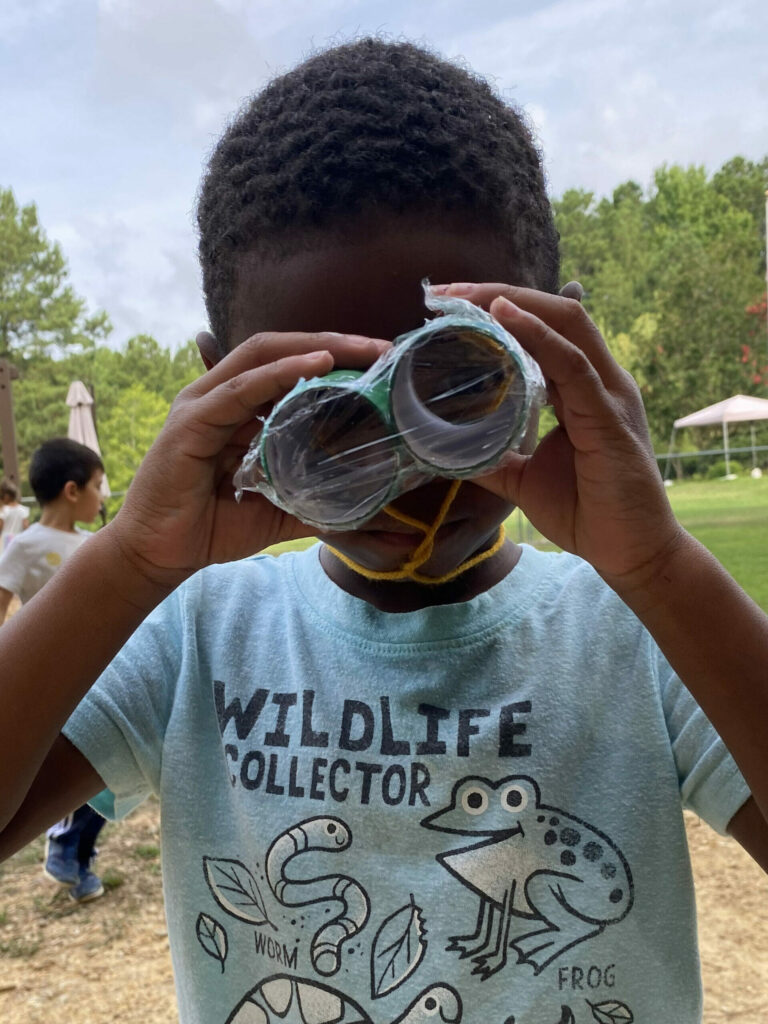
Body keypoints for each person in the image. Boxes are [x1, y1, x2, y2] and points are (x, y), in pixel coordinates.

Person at [0, 38, 767, 1024]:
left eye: (458, 385)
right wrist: (131, 559)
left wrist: (659, 566)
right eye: (328, 420)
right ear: (224, 384)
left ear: (560, 345)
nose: (402, 475)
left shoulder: (641, 636)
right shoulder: (195, 636)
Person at [0, 438, 109, 902]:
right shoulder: (23, 546)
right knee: (84, 767)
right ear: (72, 490)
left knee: (109, 772)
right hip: (54, 681)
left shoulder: (97, 544)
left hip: (103, 674)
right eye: (99, 487)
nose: (103, 497)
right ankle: (65, 846)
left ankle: (77, 858)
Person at [0, 478, 29, 552]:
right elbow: (25, 526)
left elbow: (1, 525)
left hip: (5, 539)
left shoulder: (4, 510)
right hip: (18, 538)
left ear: (5, 497)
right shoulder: (23, 509)